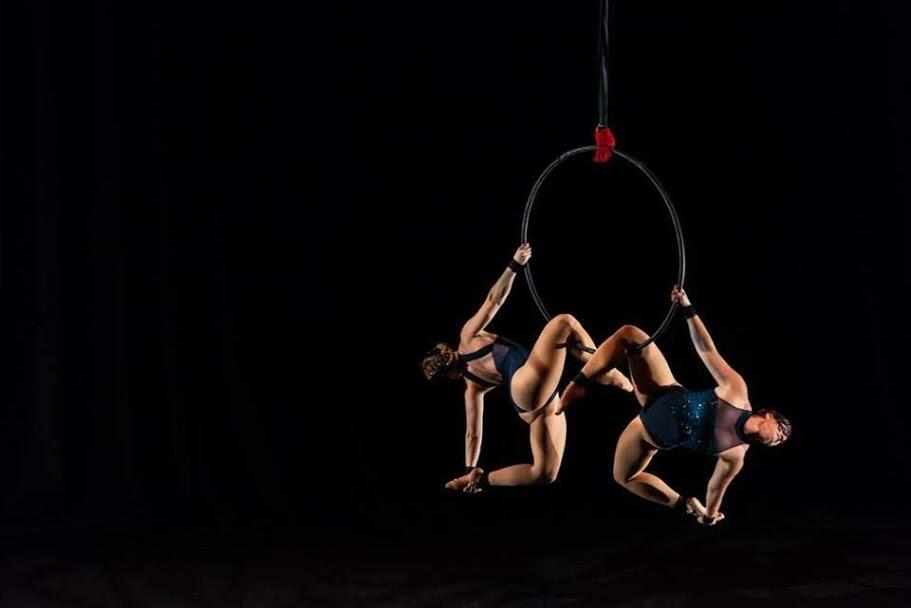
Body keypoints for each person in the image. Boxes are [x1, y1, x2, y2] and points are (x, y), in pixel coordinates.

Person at [559, 286, 792, 524]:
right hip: (662, 390)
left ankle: (683, 503)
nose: (780, 439)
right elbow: (707, 350)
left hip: (648, 432)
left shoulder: (736, 455)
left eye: (782, 440)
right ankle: (579, 383)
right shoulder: (737, 391)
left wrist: (710, 515)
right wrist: (687, 307)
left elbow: (715, 488)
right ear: (768, 415)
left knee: (623, 477)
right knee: (631, 334)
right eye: (781, 430)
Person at [421, 243, 632, 492]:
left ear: (448, 373)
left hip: (532, 406)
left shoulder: (471, 386)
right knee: (564, 323)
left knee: (544, 472)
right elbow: (493, 300)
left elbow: (473, 434)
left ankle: (481, 479)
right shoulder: (467, 339)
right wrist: (514, 264)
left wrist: (471, 467)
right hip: (525, 384)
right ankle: (603, 371)